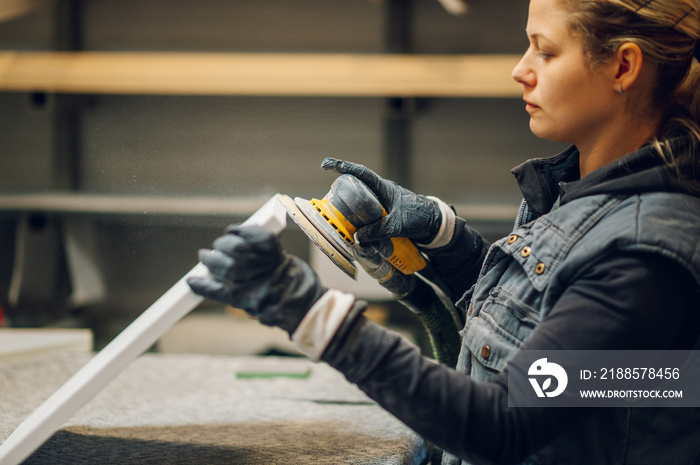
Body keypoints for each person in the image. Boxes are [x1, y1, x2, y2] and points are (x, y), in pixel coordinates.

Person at [188, 0, 700, 463]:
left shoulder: (643, 256)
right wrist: (446, 238)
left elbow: (506, 423)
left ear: (623, 66)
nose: (520, 70)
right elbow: (540, 328)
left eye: (544, 52)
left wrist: (309, 314)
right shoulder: (579, 183)